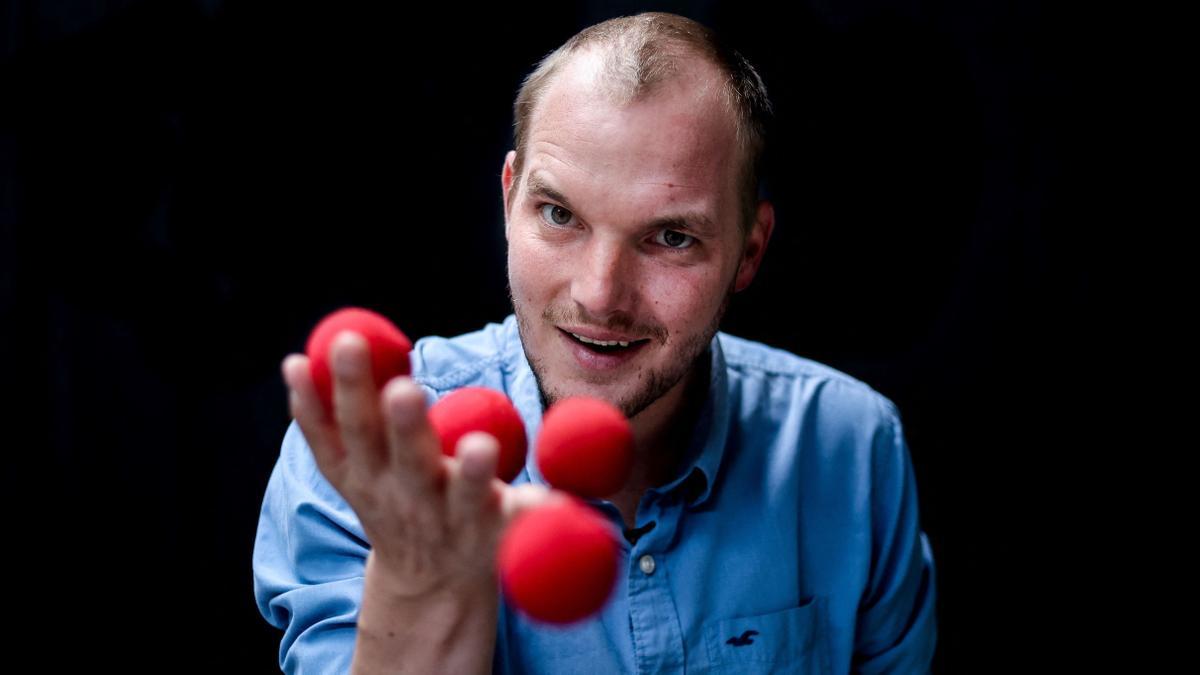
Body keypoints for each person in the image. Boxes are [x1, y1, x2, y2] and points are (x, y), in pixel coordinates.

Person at [253, 11, 937, 674]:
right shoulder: (375, 459)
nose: (600, 294)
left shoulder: (853, 446)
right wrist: (419, 577)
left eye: (671, 237)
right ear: (508, 198)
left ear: (750, 250)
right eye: (559, 215)